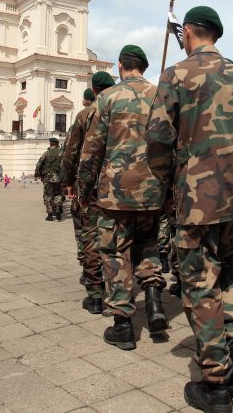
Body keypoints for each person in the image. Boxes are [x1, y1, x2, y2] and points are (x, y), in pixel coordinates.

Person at [146, 6, 233, 413]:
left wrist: (164, 189)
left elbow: (159, 138)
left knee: (199, 284)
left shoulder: (176, 74)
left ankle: (215, 382)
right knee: (228, 274)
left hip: (197, 199)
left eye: (184, 33)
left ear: (191, 32)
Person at [77, 46, 167, 351]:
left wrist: (83, 188)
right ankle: (154, 301)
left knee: (116, 253)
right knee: (148, 245)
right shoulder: (161, 96)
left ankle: (123, 325)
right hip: (153, 190)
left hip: (115, 192)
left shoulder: (108, 97)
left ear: (120, 66)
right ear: (144, 66)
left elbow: (91, 151)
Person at [61, 82, 113, 313]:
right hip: (120, 187)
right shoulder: (123, 107)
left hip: (91, 185)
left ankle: (94, 293)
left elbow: (71, 151)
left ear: (93, 91)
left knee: (88, 235)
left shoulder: (85, 115)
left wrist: (69, 182)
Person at [34, 138, 64, 221]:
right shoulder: (61, 153)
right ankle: (58, 209)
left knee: (47, 196)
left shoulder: (46, 154)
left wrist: (37, 175)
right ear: (57, 144)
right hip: (58, 178)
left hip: (48, 178)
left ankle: (50, 215)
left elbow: (39, 164)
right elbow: (66, 165)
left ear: (50, 144)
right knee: (58, 194)